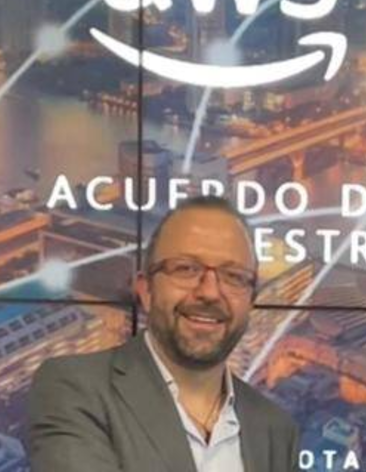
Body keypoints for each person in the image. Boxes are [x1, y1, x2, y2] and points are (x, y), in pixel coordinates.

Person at [27, 196, 299, 472]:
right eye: (186, 269)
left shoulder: (275, 429)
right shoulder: (75, 389)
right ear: (146, 290)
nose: (210, 292)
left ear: (251, 301)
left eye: (234, 276)